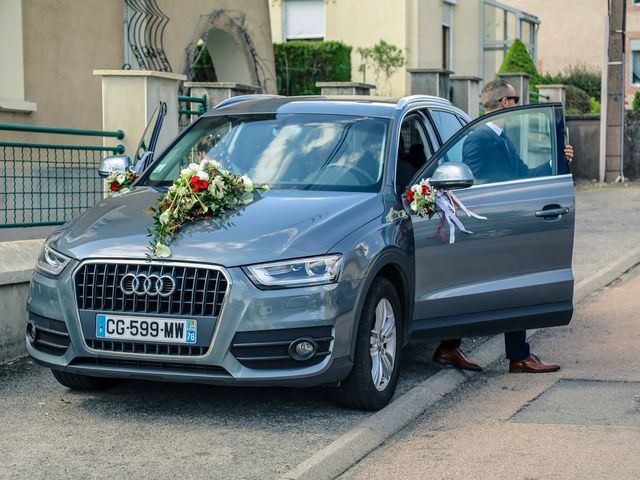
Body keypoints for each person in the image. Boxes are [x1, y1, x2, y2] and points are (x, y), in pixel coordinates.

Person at [432, 79, 573, 374]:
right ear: (505, 103)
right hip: (489, 223)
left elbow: (521, 174)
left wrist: (555, 162)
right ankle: (511, 355)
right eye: (516, 98)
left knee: (508, 283)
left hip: (504, 217)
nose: (519, 104)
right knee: (504, 285)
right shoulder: (479, 138)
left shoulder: (500, 137)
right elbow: (475, 183)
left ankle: (456, 348)